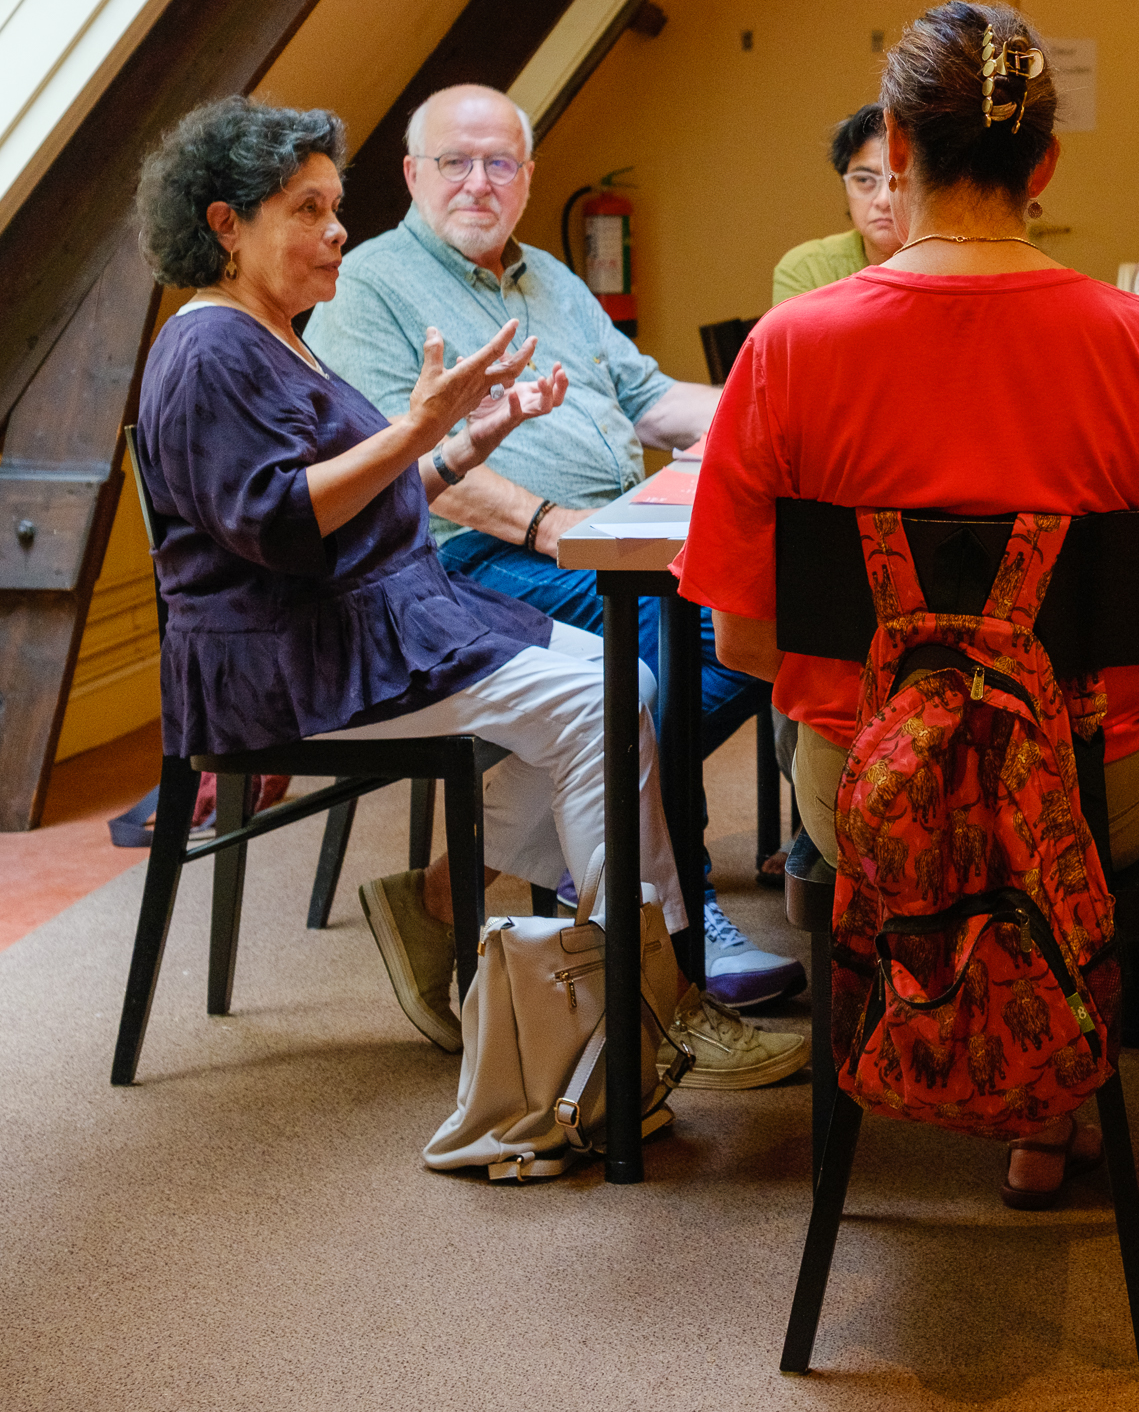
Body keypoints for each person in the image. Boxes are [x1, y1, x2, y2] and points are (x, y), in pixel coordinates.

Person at [677, 0, 1139, 1209]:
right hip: (1092, 802)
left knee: (832, 766)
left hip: (866, 802)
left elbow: (739, 637)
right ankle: (1049, 1097)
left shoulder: (787, 346)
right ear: (1044, 161)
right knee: (1095, 793)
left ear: (894, 145)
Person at [128, 96, 805, 1089]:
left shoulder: (273, 330)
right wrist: (415, 431)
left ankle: (455, 901)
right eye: (308, 210)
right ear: (224, 224)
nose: (335, 231)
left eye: (334, 206)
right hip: (286, 655)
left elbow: (368, 501)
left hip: (355, 617)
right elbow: (275, 522)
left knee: (627, 678)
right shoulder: (210, 350)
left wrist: (461, 444)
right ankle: (661, 996)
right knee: (602, 694)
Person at [304, 84, 801, 1011]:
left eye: (500, 163)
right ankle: (670, 905)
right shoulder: (368, 286)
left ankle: (540, 858)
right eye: (455, 162)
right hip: (466, 557)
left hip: (614, 539)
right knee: (667, 644)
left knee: (755, 614)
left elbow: (652, 400)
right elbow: (402, 456)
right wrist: (545, 525)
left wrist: (783, 408)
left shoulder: (552, 278)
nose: (477, 183)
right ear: (414, 174)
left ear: (529, 178)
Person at [770, 103, 904, 304]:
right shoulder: (808, 268)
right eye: (864, 180)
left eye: (899, 180)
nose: (883, 201)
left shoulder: (959, 263)